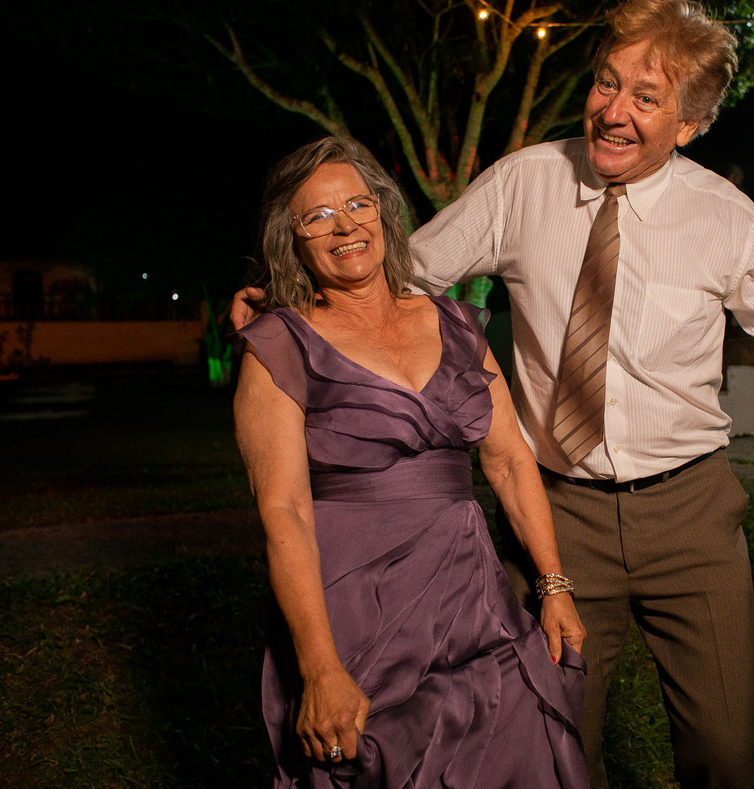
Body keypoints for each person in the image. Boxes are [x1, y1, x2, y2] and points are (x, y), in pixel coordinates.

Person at [234, 0, 754, 786]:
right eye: (607, 84)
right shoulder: (524, 183)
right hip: (556, 513)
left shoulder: (723, 217)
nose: (614, 112)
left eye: (647, 97)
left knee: (726, 753)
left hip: (690, 515)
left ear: (691, 124)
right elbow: (399, 277)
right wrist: (276, 300)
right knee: (558, 743)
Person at [232, 137, 590, 788]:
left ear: (385, 213)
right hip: (355, 611)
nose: (345, 225)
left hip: (474, 596)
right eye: (318, 216)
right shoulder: (278, 348)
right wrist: (317, 667)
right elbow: (282, 511)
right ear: (293, 239)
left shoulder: (456, 324)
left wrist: (553, 584)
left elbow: (508, 461)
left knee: (515, 752)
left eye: (357, 204)